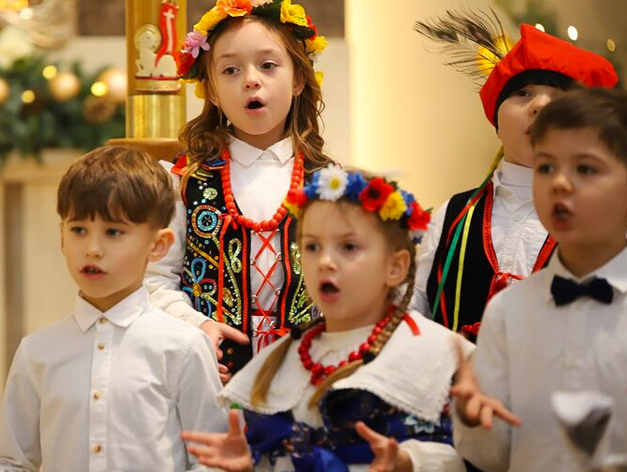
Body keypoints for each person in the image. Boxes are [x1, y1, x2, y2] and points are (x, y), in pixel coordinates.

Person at [183, 165, 472, 471]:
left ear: (396, 266)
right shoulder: (280, 358)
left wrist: (408, 462)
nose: (325, 261)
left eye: (348, 246)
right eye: (311, 246)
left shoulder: (437, 353)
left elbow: (479, 458)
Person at [0, 146, 227, 472]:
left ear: (158, 245)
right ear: (61, 237)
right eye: (79, 230)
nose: (93, 249)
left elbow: (211, 463)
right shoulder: (37, 353)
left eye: (114, 232)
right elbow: (10, 462)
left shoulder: (184, 348)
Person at [145, 0, 333, 379]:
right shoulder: (182, 180)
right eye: (231, 69)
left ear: (298, 79)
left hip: (302, 379)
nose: (251, 80)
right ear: (211, 90)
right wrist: (197, 328)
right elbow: (153, 280)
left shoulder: (331, 184)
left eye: (268, 65)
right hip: (207, 375)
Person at [451, 88, 627, 471]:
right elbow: (492, 458)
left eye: (585, 168)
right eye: (546, 167)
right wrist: (471, 416)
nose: (560, 183)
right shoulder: (507, 311)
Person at [412, 17, 619, 340]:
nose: (539, 106)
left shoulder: (602, 222)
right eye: (523, 93)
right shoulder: (453, 215)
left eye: (558, 98)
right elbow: (414, 312)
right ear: (496, 119)